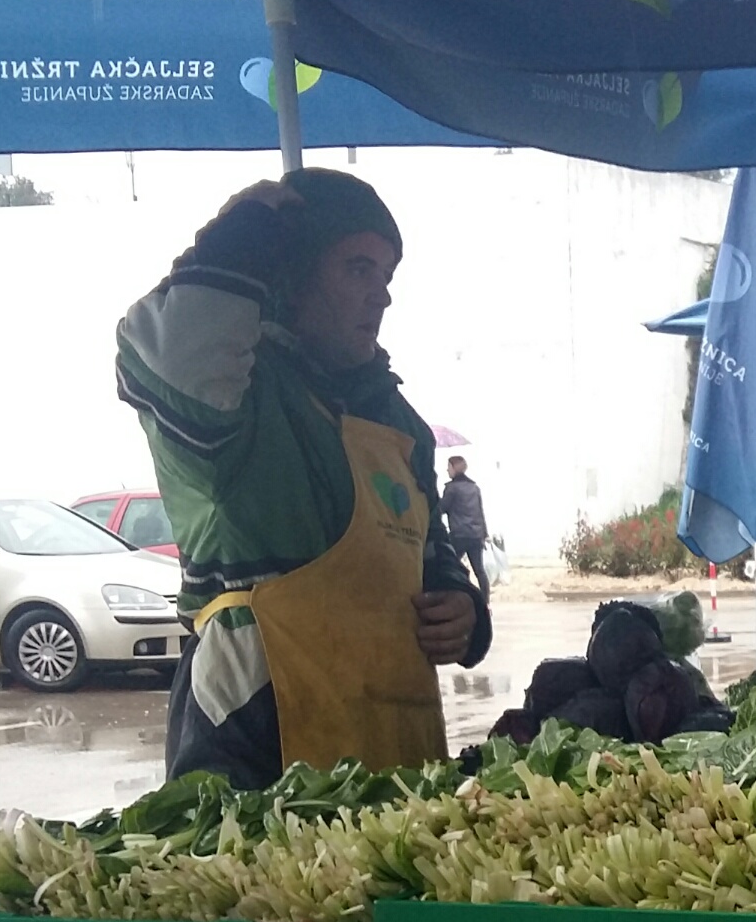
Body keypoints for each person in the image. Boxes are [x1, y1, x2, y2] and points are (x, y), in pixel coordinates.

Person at [118, 171, 490, 787]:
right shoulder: (237, 397)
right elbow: (169, 349)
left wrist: (462, 606)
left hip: (392, 731)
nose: (382, 297)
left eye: (386, 276)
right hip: (259, 728)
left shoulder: (397, 419)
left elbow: (428, 546)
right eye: (357, 270)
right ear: (293, 275)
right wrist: (238, 240)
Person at [440, 453, 489, 587]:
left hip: (459, 535)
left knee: (449, 566)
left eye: (449, 466)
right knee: (479, 571)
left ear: (455, 468)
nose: (447, 470)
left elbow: (442, 508)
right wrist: (484, 534)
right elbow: (480, 512)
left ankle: (456, 591)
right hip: (475, 535)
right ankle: (485, 601)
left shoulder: (452, 488)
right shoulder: (474, 488)